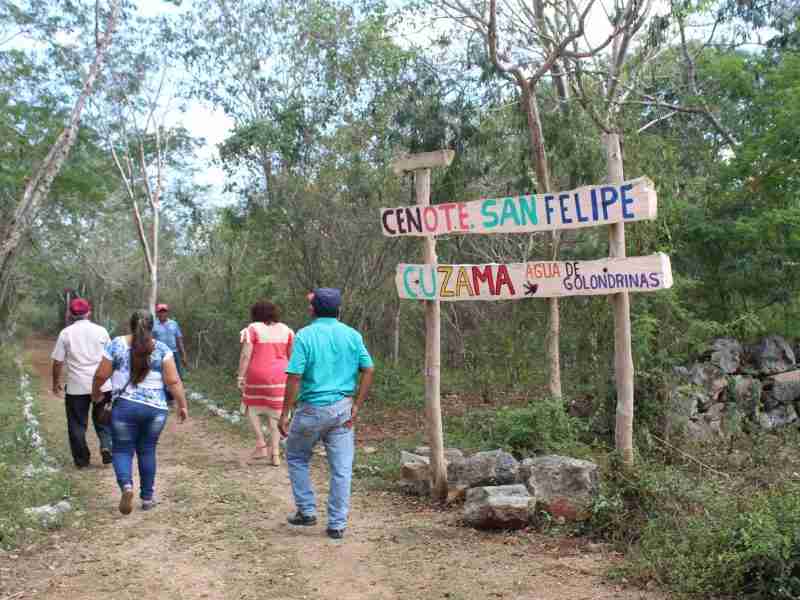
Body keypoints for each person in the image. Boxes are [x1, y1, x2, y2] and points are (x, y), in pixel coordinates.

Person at [278, 288, 374, 540]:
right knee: (341, 468)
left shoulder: (305, 336)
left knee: (297, 456)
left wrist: (284, 413)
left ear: (313, 309)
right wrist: (357, 405)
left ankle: (307, 510)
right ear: (339, 309)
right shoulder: (352, 335)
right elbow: (368, 369)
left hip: (311, 409)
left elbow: (295, 376)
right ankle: (337, 524)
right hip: (343, 410)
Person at [92, 309, 188, 515]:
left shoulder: (117, 344)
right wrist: (182, 404)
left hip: (125, 407)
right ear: (152, 326)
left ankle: (127, 486)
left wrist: (96, 394)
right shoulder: (162, 349)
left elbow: (100, 375)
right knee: (147, 450)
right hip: (156, 411)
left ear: (130, 324)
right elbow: (173, 381)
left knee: (122, 450)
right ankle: (147, 498)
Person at [51, 297, 113, 468]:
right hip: (102, 384)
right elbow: (111, 358)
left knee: (77, 424)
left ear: (71, 314)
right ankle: (107, 445)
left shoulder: (66, 333)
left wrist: (55, 382)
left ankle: (82, 460)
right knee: (104, 419)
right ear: (89, 312)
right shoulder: (102, 331)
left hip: (76, 387)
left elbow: (57, 361)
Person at [238, 300, 294, 466]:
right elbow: (291, 357)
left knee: (250, 407)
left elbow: (246, 355)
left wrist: (241, 376)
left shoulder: (252, 329)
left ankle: (261, 443)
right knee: (276, 413)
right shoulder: (287, 331)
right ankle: (275, 454)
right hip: (281, 376)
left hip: (257, 374)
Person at [153, 304, 188, 377]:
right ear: (157, 313)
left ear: (167, 313)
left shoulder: (174, 323)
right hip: (160, 354)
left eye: (164, 311)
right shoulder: (153, 325)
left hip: (174, 353)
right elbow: (150, 341)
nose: (162, 314)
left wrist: (183, 355)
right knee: (161, 376)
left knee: (178, 376)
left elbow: (179, 340)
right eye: (160, 312)